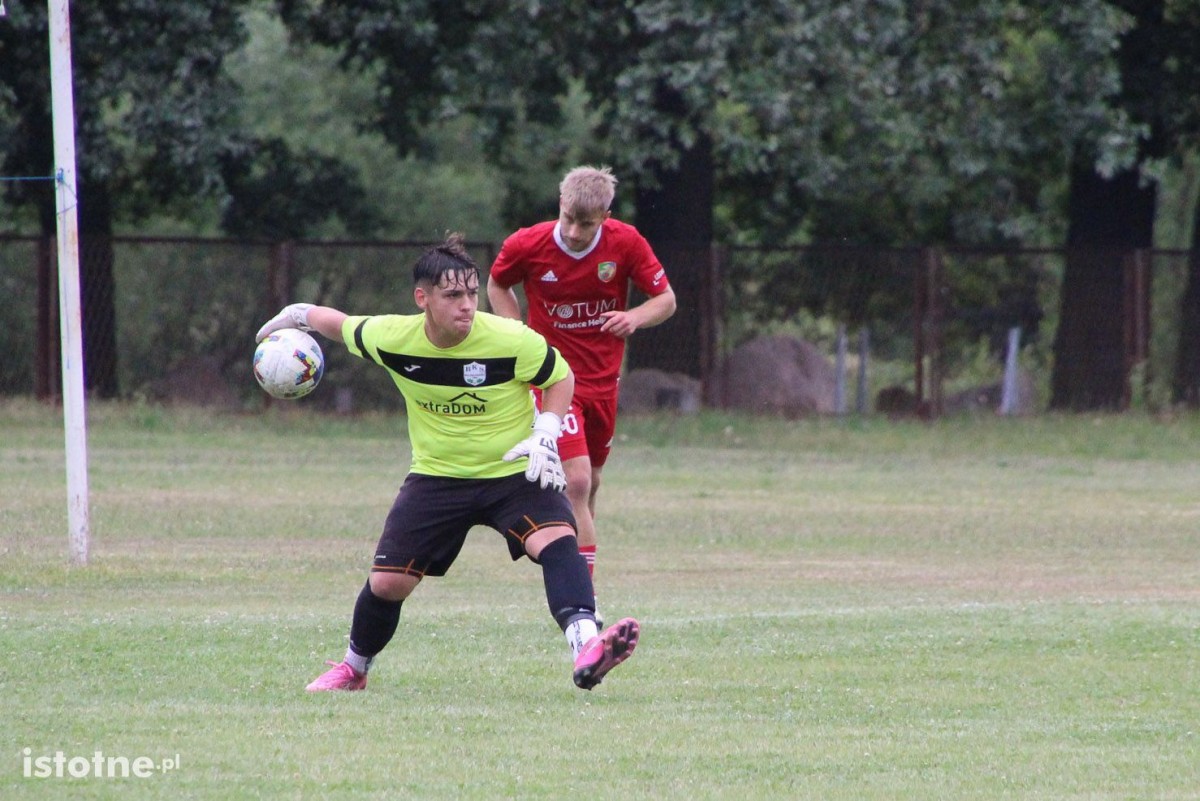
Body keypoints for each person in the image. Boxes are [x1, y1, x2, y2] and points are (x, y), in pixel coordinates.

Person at [255, 233, 639, 692]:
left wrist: (546, 432)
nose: (467, 305)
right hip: (438, 477)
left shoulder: (509, 339)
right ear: (423, 298)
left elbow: (560, 376)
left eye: (472, 294)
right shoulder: (392, 338)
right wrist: (295, 315)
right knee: (386, 584)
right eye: (453, 295)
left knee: (559, 543)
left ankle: (588, 648)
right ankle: (353, 670)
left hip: (514, 469)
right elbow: (336, 323)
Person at [487, 166, 676, 616]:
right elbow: (498, 282)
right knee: (576, 482)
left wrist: (634, 317)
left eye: (586, 224)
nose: (573, 231)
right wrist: (517, 333)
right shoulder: (527, 244)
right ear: (559, 203)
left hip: (603, 383)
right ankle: (582, 608)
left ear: (605, 217)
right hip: (552, 379)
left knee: (590, 486)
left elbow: (665, 301)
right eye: (568, 217)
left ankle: (573, 559)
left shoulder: (625, 243)